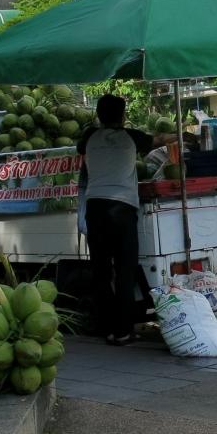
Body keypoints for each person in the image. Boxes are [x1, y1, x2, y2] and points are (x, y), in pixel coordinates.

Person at [77, 95, 172, 345]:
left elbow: (80, 149)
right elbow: (160, 139)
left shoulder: (89, 137)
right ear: (123, 115)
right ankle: (123, 331)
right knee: (124, 269)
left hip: (95, 207)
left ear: (99, 115)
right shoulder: (132, 136)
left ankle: (107, 328)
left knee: (100, 271)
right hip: (122, 207)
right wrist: (184, 135)